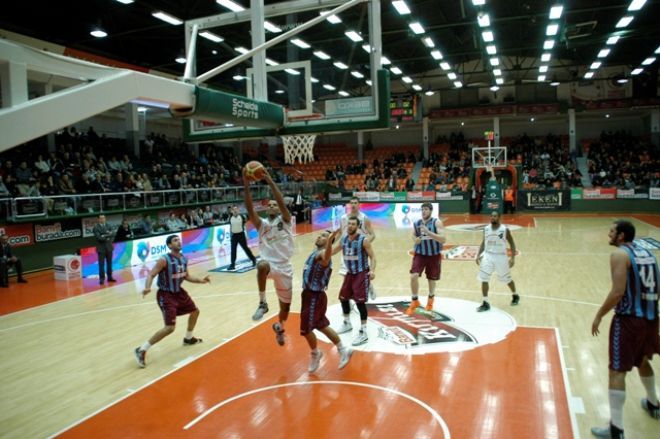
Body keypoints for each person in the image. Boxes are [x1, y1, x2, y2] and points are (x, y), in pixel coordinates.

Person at [590, 220, 659, 438]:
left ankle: (616, 429)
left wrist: (599, 315)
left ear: (621, 236)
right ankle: (654, 403)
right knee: (642, 361)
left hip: (629, 320)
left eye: (612, 231)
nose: (608, 234)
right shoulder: (647, 253)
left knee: (617, 371)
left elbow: (618, 292)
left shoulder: (620, 255)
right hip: (650, 317)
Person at [134, 235, 210, 368]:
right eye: (175, 240)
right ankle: (142, 349)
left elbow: (186, 276)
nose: (178, 242)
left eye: (179, 240)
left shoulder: (184, 259)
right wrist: (147, 287)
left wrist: (201, 281)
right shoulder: (164, 260)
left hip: (179, 292)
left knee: (195, 311)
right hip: (166, 295)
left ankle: (188, 338)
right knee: (170, 328)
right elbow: (151, 274)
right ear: (169, 245)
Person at [243, 167, 295, 346]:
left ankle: (280, 327)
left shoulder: (286, 220)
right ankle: (262, 303)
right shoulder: (262, 225)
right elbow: (249, 208)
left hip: (285, 267)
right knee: (261, 265)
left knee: (285, 309)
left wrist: (270, 181)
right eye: (269, 205)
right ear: (266, 209)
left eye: (275, 205)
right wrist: (246, 184)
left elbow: (281, 203)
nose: (272, 206)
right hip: (270, 265)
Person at [301, 229, 353, 372]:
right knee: (321, 325)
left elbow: (327, 254)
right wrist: (335, 238)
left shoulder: (323, 255)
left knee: (305, 329)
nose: (319, 236)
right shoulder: (316, 252)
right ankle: (343, 349)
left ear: (328, 242)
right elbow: (333, 248)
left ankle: (315, 353)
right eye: (320, 234)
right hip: (311, 296)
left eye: (323, 236)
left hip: (314, 296)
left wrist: (330, 240)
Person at [333, 217, 377, 346]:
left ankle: (363, 332)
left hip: (361, 273)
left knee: (359, 302)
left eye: (353, 224)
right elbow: (333, 251)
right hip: (349, 273)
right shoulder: (344, 239)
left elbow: (373, 257)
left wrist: (372, 270)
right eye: (349, 224)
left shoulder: (363, 240)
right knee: (343, 298)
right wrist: (323, 251)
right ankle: (347, 323)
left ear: (357, 227)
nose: (350, 226)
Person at [405, 203, 446, 315]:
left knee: (431, 279)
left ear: (431, 211)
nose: (423, 211)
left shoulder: (436, 222)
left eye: (426, 209)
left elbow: (443, 239)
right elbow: (413, 235)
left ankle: (430, 300)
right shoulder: (417, 223)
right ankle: (414, 300)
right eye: (422, 209)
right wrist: (415, 239)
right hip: (420, 254)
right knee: (413, 276)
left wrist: (428, 233)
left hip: (434, 255)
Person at [475, 211, 519, 311]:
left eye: (495, 216)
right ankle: (485, 302)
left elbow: (512, 243)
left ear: (499, 217)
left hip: (501, 257)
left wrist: (512, 258)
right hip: (488, 255)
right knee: (484, 278)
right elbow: (484, 242)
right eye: (491, 216)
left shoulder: (504, 230)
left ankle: (515, 295)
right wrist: (478, 255)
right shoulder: (486, 229)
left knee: (506, 279)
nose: (492, 218)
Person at [340, 197, 377, 300]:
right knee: (345, 274)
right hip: (347, 250)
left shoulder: (364, 218)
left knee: (361, 274)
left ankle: (369, 285)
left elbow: (372, 235)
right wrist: (332, 242)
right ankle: (349, 299)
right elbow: (340, 233)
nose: (353, 205)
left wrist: (363, 245)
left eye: (355, 203)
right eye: (351, 203)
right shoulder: (343, 218)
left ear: (359, 204)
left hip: (360, 252)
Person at [228, 205, 257, 270]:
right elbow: (231, 227)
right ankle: (232, 264)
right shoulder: (230, 218)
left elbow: (245, 225)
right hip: (234, 236)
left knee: (245, 248)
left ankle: (253, 259)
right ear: (232, 211)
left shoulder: (242, 217)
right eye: (233, 209)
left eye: (236, 209)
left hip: (241, 235)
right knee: (233, 250)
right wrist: (230, 236)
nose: (235, 210)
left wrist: (247, 234)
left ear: (238, 210)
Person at [93, 214, 116, 285]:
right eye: (101, 218)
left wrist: (104, 235)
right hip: (101, 248)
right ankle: (102, 279)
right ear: (98, 219)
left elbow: (113, 234)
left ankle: (110, 277)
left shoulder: (108, 225)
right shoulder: (96, 227)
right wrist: (108, 235)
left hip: (109, 247)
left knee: (109, 263)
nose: (102, 219)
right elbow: (99, 238)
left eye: (103, 218)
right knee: (101, 264)